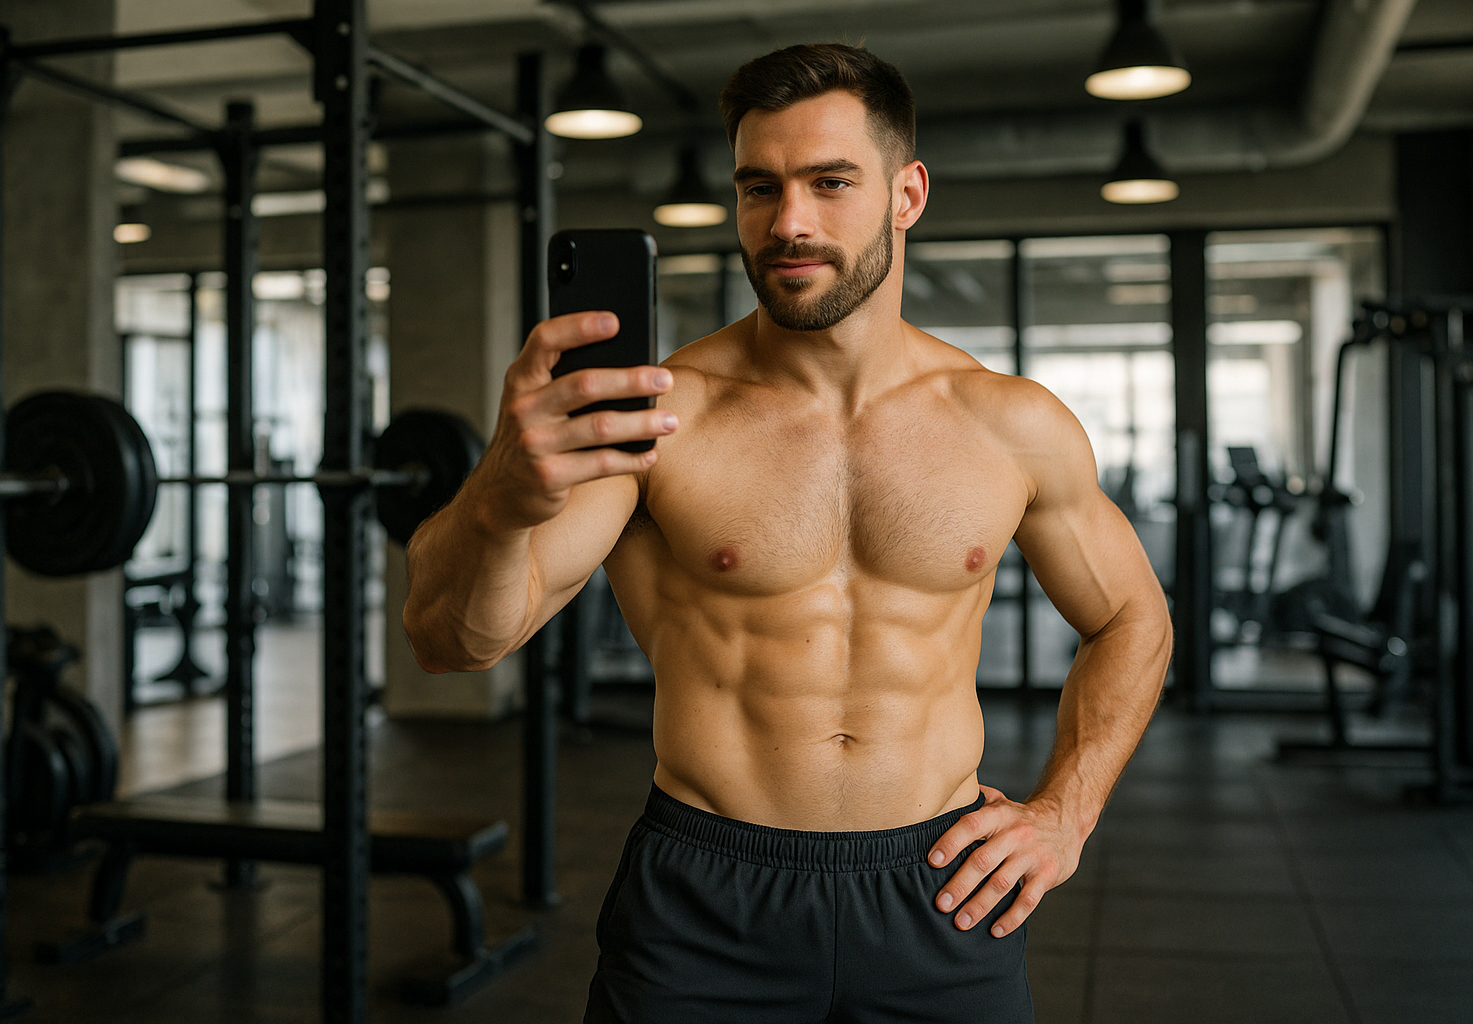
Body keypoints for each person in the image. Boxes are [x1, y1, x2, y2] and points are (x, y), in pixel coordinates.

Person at [404, 42, 1171, 1024]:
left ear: (907, 195)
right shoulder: (658, 419)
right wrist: (497, 500)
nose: (789, 222)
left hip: (941, 888)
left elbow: (1133, 618)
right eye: (758, 188)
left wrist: (1066, 812)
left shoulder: (1009, 422)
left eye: (830, 183)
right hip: (706, 898)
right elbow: (453, 642)